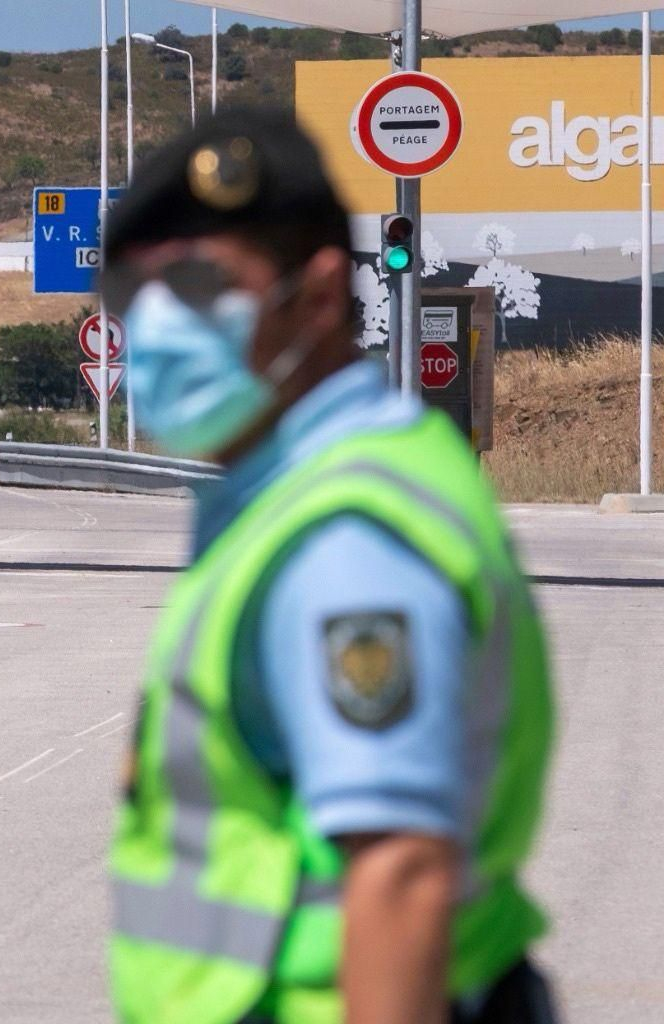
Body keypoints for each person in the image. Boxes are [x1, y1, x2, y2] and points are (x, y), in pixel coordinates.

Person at [100, 109, 558, 1024]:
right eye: (132, 295)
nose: (155, 328)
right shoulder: (306, 492)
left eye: (196, 286)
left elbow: (402, 871)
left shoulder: (347, 535)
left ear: (314, 297)